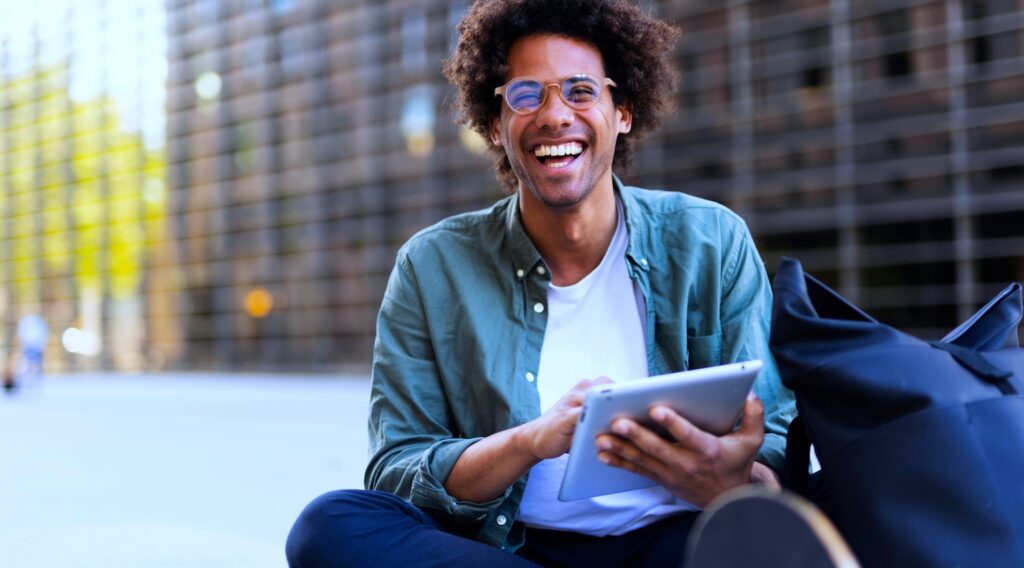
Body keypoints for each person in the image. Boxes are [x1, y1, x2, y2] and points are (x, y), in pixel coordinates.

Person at [287, 1, 795, 566]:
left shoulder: (709, 239)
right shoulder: (432, 266)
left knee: (851, 490)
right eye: (527, 95)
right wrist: (529, 441)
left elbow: (776, 441)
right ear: (495, 123)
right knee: (330, 527)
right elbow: (397, 468)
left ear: (621, 109)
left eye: (580, 91)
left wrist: (731, 479)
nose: (555, 115)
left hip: (678, 541)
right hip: (512, 551)